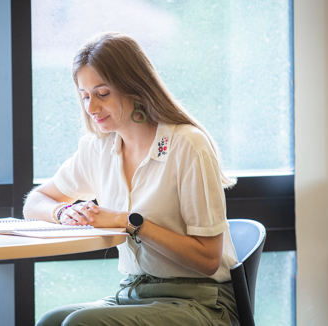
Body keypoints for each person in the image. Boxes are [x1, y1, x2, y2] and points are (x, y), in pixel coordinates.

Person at [23, 32, 240, 326]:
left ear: (135, 88)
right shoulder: (98, 148)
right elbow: (35, 201)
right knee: (52, 320)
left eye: (102, 94)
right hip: (134, 291)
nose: (91, 108)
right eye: (85, 96)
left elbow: (208, 260)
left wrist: (128, 221)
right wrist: (63, 211)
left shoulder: (187, 145)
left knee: (80, 323)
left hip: (200, 300)